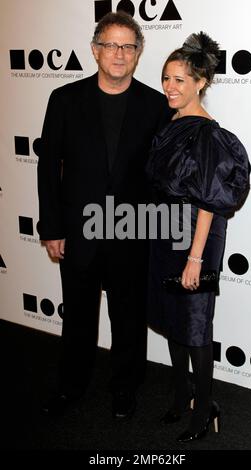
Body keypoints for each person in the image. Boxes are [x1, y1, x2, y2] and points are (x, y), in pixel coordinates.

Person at [37, 11, 171, 418]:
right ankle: (71, 384)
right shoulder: (64, 100)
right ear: (95, 51)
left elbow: (163, 175)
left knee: (129, 317)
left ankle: (125, 387)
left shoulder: (155, 105)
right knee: (78, 313)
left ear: (138, 53)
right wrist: (52, 226)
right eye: (110, 45)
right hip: (78, 231)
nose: (119, 53)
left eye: (128, 46)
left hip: (132, 232)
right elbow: (48, 168)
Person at [146, 32, 250, 441]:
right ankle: (180, 394)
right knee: (174, 320)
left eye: (180, 81)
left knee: (194, 325)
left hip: (196, 237)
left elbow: (208, 201)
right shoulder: (171, 121)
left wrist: (194, 257)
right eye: (166, 78)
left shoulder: (208, 134)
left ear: (201, 82)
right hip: (166, 233)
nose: (170, 87)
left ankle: (205, 408)